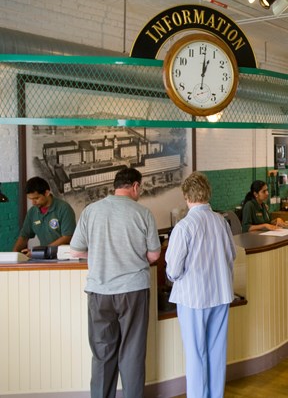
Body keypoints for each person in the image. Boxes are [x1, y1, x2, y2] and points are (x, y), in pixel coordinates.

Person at [70, 167, 161, 398]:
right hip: (133, 291)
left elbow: (75, 251)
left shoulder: (91, 211)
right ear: (135, 186)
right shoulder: (143, 213)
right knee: (132, 353)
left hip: (99, 291)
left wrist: (100, 254)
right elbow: (154, 256)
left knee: (102, 354)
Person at [165, 172, 236, 398]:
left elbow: (174, 270)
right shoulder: (221, 222)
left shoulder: (184, 227)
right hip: (220, 293)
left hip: (193, 298)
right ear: (208, 193)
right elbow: (231, 255)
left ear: (186, 197)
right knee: (217, 352)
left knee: (196, 354)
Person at [12, 176, 76, 255]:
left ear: (47, 193)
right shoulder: (32, 212)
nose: (33, 202)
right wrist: (14, 255)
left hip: (64, 257)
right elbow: (24, 236)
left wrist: (40, 251)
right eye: (31, 199)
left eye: (36, 198)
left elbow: (67, 237)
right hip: (44, 257)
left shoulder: (64, 208)